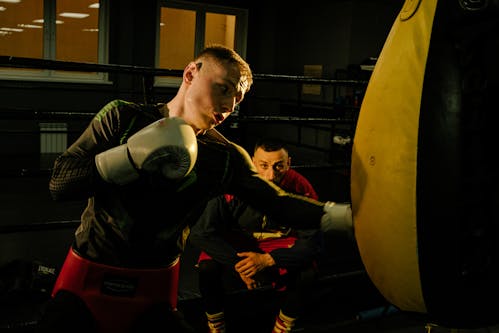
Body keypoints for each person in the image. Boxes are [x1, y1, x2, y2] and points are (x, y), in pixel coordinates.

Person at [36, 44, 352, 333]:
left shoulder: (224, 158)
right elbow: (60, 184)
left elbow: (278, 204)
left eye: (237, 99)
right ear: (191, 73)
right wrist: (129, 157)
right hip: (85, 279)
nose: (228, 105)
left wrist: (350, 218)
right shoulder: (123, 119)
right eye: (223, 88)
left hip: (155, 291)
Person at [189, 138, 324, 333]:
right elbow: (200, 233)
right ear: (252, 162)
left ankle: (282, 327)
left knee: (307, 273)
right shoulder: (232, 182)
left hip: (277, 243)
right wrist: (243, 267)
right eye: (263, 165)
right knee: (207, 268)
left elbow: (314, 241)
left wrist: (268, 260)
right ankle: (216, 326)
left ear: (289, 163)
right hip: (237, 244)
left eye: (279, 166)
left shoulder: (300, 186)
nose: (270, 175)